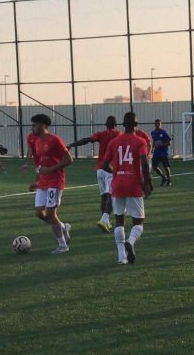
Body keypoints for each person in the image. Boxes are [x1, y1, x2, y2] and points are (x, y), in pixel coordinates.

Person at [102, 112, 153, 264]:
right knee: (139, 222)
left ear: (123, 125)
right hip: (134, 184)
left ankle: (121, 257)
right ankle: (130, 242)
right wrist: (147, 181)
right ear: (136, 125)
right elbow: (144, 161)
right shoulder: (140, 141)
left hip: (117, 184)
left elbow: (105, 165)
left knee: (119, 220)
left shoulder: (114, 142)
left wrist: (117, 173)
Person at [28, 114, 74, 254]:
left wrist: (50, 169)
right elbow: (40, 164)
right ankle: (63, 226)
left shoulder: (55, 139)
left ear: (43, 125)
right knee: (39, 213)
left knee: (49, 214)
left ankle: (63, 245)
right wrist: (37, 181)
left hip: (55, 181)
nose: (32, 127)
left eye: (34, 125)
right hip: (44, 181)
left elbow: (69, 159)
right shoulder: (36, 141)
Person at [68, 116, 120, 232]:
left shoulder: (100, 134)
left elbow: (86, 140)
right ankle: (104, 220)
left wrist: (71, 145)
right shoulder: (118, 134)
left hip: (100, 169)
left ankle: (105, 223)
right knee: (112, 196)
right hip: (110, 168)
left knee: (103, 196)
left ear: (105, 125)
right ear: (116, 125)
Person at [150, 119, 173, 186]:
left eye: (159, 124)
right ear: (154, 124)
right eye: (156, 124)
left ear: (161, 124)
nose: (157, 125)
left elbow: (169, 143)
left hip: (163, 153)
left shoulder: (164, 133)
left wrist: (161, 145)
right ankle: (163, 177)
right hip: (156, 153)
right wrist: (152, 148)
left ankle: (169, 180)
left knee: (166, 167)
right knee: (154, 167)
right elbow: (154, 141)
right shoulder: (153, 133)